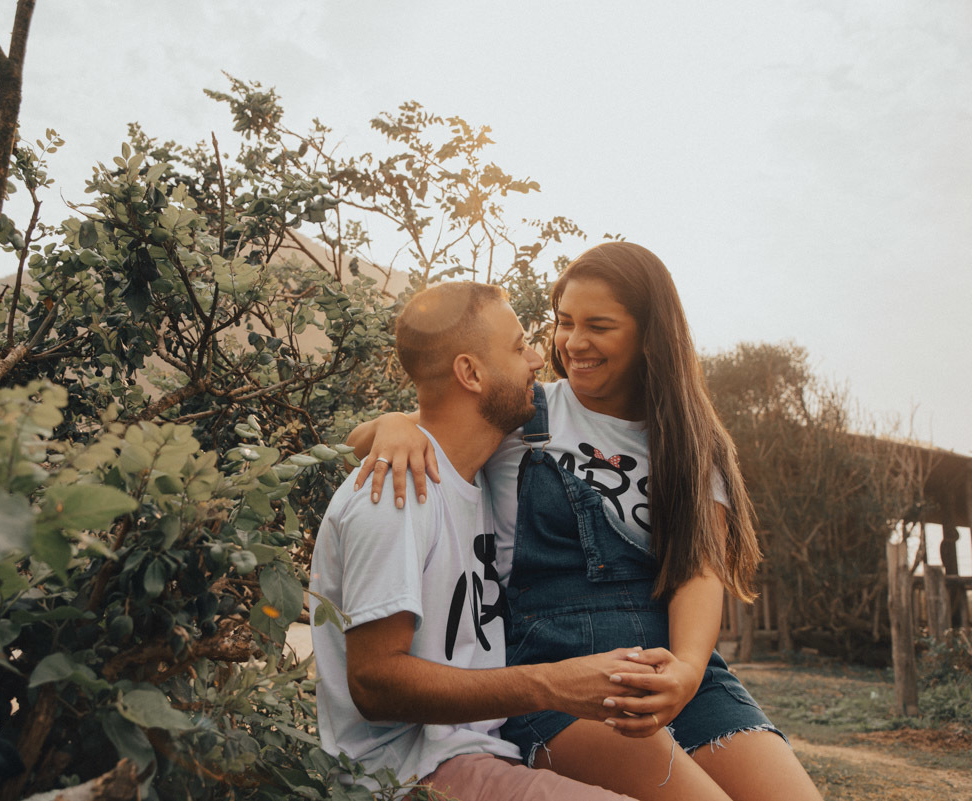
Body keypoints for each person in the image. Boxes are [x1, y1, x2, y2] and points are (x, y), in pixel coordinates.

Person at [348, 243, 823, 801]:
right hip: (558, 676)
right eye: (564, 322)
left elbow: (700, 569)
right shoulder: (526, 412)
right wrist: (390, 426)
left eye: (598, 326)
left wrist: (688, 671)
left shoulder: (692, 443)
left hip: (670, 671)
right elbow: (425, 419)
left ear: (650, 335)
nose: (573, 343)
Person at [309, 281, 643, 801]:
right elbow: (374, 682)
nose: (538, 358)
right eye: (517, 347)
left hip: (484, 750)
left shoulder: (482, 474)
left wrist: (393, 421)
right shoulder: (397, 493)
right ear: (470, 372)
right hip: (409, 775)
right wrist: (553, 683)